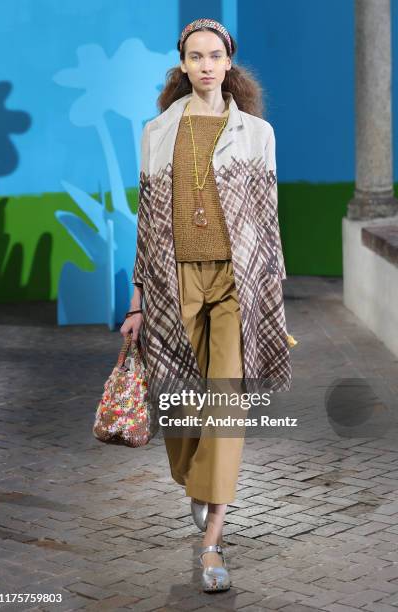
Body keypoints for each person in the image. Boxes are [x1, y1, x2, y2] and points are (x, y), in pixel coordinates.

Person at [121, 17, 292, 593]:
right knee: (178, 403)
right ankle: (198, 481)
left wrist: (273, 293)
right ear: (183, 64)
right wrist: (138, 300)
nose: (204, 65)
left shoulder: (258, 134)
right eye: (194, 56)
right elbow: (147, 222)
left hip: (236, 283)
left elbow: (268, 222)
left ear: (228, 62)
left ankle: (212, 541)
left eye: (214, 55)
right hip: (173, 283)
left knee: (225, 407)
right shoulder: (157, 132)